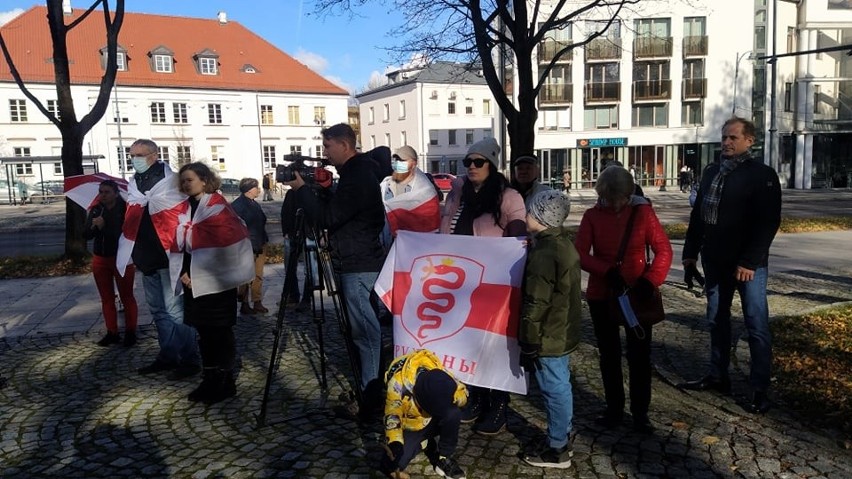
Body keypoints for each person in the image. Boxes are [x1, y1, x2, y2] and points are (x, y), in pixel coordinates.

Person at [678, 117, 782, 415]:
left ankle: (759, 388)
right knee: (715, 320)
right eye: (724, 137)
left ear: (750, 140)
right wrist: (689, 253)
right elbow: (699, 216)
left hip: (749, 266)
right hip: (716, 261)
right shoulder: (712, 171)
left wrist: (750, 261)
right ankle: (717, 375)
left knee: (756, 325)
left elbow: (768, 223)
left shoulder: (762, 175)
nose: (726, 142)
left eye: (733, 137)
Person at [283, 123, 387, 415]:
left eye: (327, 146)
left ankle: (372, 398)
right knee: (361, 330)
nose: (325, 152)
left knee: (364, 331)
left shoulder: (358, 175)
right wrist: (327, 190)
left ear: (344, 144)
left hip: (358, 263)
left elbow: (328, 218)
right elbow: (340, 211)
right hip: (354, 259)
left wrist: (303, 190)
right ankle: (368, 390)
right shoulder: (357, 173)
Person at [575, 165, 672, 433]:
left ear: (629, 194)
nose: (615, 204)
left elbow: (663, 249)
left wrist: (650, 280)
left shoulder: (642, 213)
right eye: (609, 199)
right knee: (609, 355)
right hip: (603, 294)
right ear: (601, 195)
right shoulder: (592, 216)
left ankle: (640, 413)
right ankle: (614, 409)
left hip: (637, 293)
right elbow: (580, 253)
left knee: (640, 357)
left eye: (620, 198)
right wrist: (605, 270)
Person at [439, 136, 526, 435]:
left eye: (479, 162)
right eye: (467, 162)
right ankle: (475, 397)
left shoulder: (508, 196)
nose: (471, 167)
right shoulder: (457, 194)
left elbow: (518, 236)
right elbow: (445, 226)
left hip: (493, 285)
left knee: (494, 346)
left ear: (492, 164)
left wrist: (515, 243)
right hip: (459, 281)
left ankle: (498, 405)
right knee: (468, 343)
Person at [119, 139, 200, 380]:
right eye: (131, 154)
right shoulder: (134, 184)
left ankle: (189, 358)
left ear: (154, 156)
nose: (134, 159)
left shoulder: (173, 182)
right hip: (145, 257)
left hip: (169, 257)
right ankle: (168, 354)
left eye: (139, 154)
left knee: (176, 311)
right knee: (157, 311)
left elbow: (185, 216)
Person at [176, 162, 254, 404]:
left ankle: (225, 380)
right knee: (203, 332)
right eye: (183, 180)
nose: (185, 184)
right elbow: (180, 242)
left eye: (190, 179)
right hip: (193, 281)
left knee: (219, 331)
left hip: (218, 281)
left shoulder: (217, 207)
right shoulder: (184, 208)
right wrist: (184, 271)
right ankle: (209, 378)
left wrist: (196, 268)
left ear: (203, 180)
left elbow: (227, 241)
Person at [517, 190, 581, 469]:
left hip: (547, 333)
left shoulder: (545, 254)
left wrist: (529, 341)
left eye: (530, 212)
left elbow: (536, 302)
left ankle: (557, 449)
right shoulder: (561, 243)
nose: (526, 215)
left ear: (542, 217)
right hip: (561, 328)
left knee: (553, 387)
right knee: (561, 384)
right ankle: (563, 434)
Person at [381, 349, 468, 479]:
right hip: (412, 424)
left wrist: (456, 399)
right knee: (393, 462)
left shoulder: (440, 373)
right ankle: (424, 442)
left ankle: (444, 458)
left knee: (453, 413)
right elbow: (392, 414)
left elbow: (462, 391)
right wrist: (395, 442)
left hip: (432, 418)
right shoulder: (397, 384)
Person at [84, 180, 139, 347]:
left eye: (106, 192)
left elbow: (122, 234)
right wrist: (93, 227)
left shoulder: (125, 209)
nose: (102, 195)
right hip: (101, 258)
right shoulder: (96, 209)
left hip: (121, 258)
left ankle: (130, 332)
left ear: (116, 193)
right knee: (106, 298)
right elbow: (86, 235)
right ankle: (112, 332)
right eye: (101, 192)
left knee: (126, 296)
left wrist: (104, 226)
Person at [379, 145, 441, 247]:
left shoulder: (425, 191)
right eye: (395, 159)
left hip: (414, 248)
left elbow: (430, 224)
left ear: (413, 163)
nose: (397, 163)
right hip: (387, 248)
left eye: (402, 160)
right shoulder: (385, 185)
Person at [231, 177, 270, 315]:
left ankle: (257, 301)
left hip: (259, 242)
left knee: (258, 275)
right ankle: (244, 303)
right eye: (256, 187)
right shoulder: (238, 206)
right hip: (247, 246)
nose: (259, 189)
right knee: (245, 276)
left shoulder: (254, 203)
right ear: (248, 189)